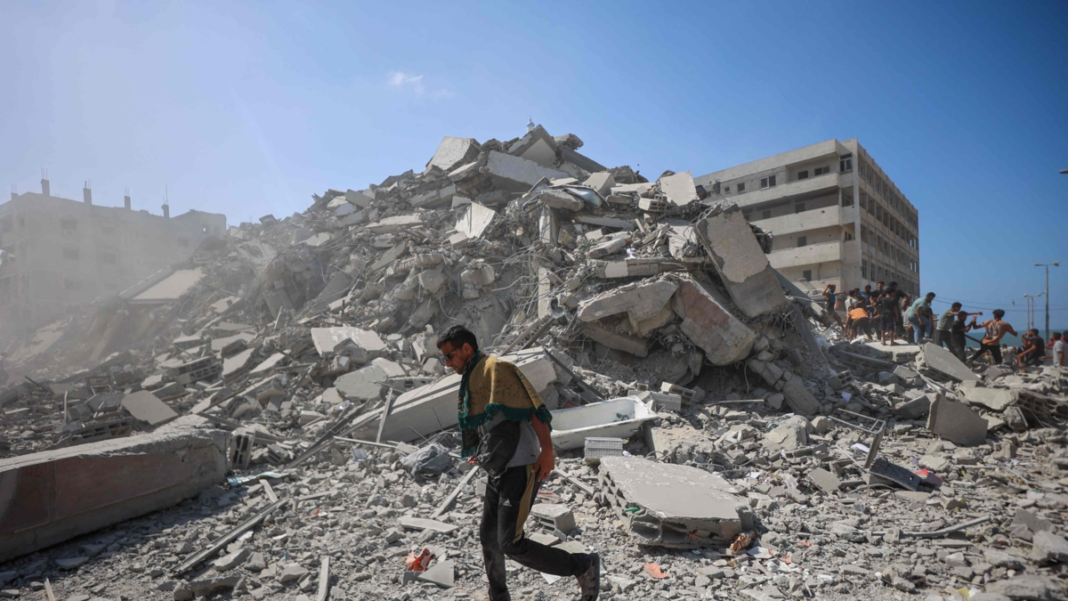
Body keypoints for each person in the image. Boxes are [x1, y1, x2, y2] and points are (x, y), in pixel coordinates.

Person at [436, 325, 600, 601]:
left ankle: (583, 565)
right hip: (498, 468)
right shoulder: (473, 376)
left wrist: (547, 449)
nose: (447, 364)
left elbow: (533, 407)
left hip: (521, 463)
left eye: (449, 356)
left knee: (510, 542)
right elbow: (493, 423)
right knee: (489, 537)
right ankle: (498, 595)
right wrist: (482, 450)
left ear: (466, 349)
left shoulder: (497, 368)